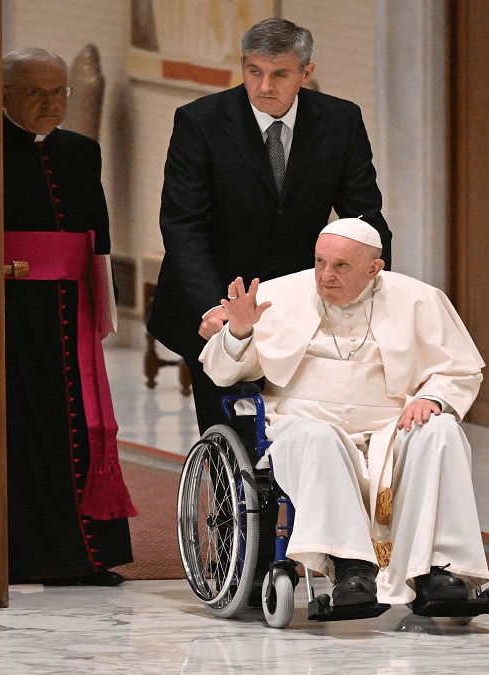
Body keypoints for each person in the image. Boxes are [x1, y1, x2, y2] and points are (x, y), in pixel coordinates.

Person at [199, 218, 489, 606]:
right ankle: (352, 568)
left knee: (441, 430)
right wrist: (239, 332)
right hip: (303, 421)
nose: (325, 276)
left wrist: (432, 398)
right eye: (320, 262)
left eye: (340, 266)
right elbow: (223, 373)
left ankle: (437, 571)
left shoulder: (419, 299)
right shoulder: (277, 295)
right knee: (317, 436)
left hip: (391, 426)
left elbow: (459, 370)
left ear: (374, 268)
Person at [148, 18, 392, 436]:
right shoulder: (200, 121)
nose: (263, 86)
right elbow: (184, 225)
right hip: (214, 299)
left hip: (300, 303)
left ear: (305, 73)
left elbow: (364, 217)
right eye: (254, 71)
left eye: (279, 74)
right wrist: (213, 310)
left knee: (299, 429)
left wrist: (374, 291)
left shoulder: (340, 120)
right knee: (233, 433)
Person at [1, 48, 135, 586]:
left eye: (59, 91)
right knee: (20, 428)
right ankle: (19, 557)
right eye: (35, 92)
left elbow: (97, 235)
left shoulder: (82, 151)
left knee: (78, 425)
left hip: (70, 311)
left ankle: (83, 557)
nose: (51, 103)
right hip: (10, 313)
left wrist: (104, 304)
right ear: (3, 94)